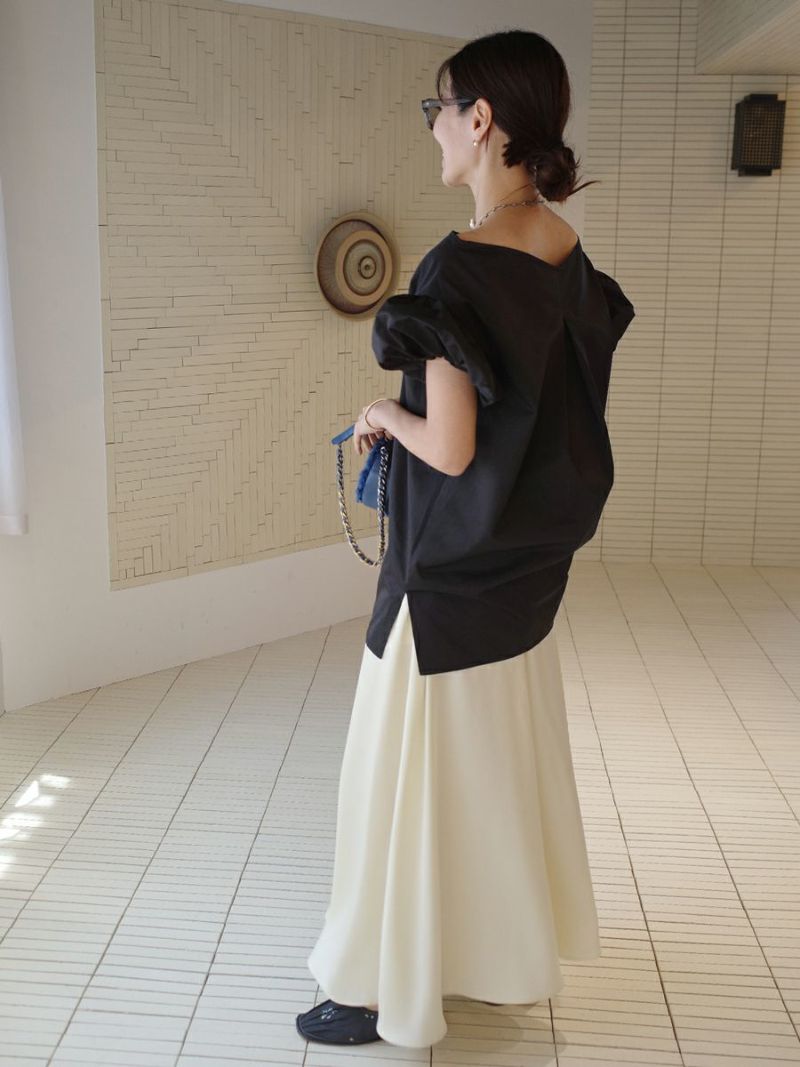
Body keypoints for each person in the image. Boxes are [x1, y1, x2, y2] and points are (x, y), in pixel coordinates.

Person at [296, 28, 635, 1050]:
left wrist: (378, 413)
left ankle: (378, 991)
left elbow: (446, 447)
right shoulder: (564, 252)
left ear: (480, 119)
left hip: (440, 581)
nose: (435, 128)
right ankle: (483, 961)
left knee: (398, 784)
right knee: (487, 784)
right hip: (519, 578)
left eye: (438, 109)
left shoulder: (454, 269)